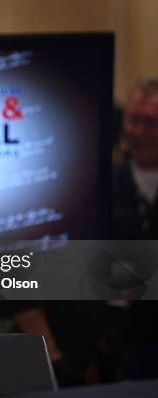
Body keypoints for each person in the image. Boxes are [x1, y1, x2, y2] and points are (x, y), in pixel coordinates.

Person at [110, 78, 158, 380]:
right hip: (118, 339)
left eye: (151, 123)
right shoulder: (105, 182)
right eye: (132, 121)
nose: (138, 132)